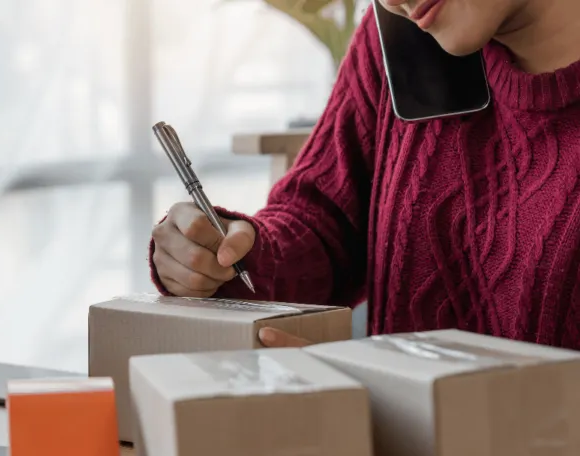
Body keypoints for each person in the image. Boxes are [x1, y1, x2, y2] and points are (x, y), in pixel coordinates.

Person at [150, 0, 580, 350]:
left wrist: (371, 389)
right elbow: (323, 225)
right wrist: (226, 254)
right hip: (393, 452)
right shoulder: (404, 38)